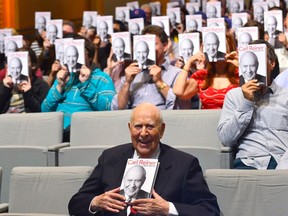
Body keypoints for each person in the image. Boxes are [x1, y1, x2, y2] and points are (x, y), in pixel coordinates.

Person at [68, 102, 220, 215]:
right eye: (138, 126)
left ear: (162, 130)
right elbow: (76, 203)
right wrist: (95, 202)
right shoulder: (109, 158)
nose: (143, 133)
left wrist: (167, 208)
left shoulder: (185, 164)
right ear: (130, 128)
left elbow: (209, 210)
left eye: (150, 126)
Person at [217, 40, 288, 169]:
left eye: (255, 64)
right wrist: (246, 103)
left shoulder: (286, 96)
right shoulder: (233, 96)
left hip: (282, 162)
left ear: (271, 63)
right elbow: (225, 139)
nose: (249, 71)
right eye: (244, 66)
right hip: (247, 162)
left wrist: (283, 168)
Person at [41, 38, 116, 140]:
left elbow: (108, 109)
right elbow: (45, 110)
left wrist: (86, 85)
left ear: (89, 56)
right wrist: (59, 86)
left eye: (79, 53)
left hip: (85, 131)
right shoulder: (64, 76)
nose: (73, 59)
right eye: (68, 55)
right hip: (56, 130)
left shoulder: (102, 78)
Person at [111, 25, 182, 110]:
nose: (149, 48)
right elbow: (117, 109)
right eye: (146, 44)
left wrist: (159, 82)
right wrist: (127, 83)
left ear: (165, 46)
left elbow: (179, 107)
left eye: (153, 44)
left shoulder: (176, 73)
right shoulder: (131, 73)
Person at [0, 47, 49, 113]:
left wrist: (28, 93)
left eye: (24, 61)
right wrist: (5, 89)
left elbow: (41, 112)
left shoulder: (41, 86)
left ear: (33, 65)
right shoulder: (3, 84)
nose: (15, 71)